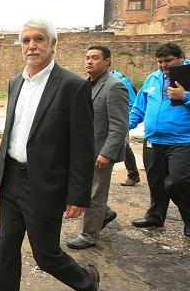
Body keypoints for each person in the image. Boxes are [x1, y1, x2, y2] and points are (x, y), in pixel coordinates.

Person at [0, 18, 100, 291]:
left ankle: (86, 281)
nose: (32, 45)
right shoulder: (16, 82)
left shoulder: (72, 86)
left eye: (40, 39)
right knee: (6, 249)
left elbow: (83, 147)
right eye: (26, 40)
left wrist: (78, 194)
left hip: (45, 184)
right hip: (12, 178)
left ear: (53, 44)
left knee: (45, 254)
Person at [66, 45, 128, 250]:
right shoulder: (87, 84)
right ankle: (106, 213)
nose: (89, 61)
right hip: (84, 150)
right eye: (87, 57)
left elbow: (120, 125)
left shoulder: (115, 86)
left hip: (101, 151)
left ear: (107, 61)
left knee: (95, 194)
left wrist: (107, 153)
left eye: (95, 58)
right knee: (85, 189)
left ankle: (89, 235)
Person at [129, 42, 190, 238]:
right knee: (155, 181)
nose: (164, 65)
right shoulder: (153, 78)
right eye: (160, 62)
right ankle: (155, 215)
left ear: (181, 57)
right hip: (153, 140)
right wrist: (125, 126)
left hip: (182, 140)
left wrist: (185, 96)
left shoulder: (187, 75)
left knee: (177, 181)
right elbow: (139, 107)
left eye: (169, 61)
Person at [111, 70, 141, 187]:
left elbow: (133, 102)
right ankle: (134, 175)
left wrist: (126, 123)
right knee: (122, 146)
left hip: (120, 120)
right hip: (110, 119)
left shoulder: (121, 80)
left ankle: (133, 175)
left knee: (123, 145)